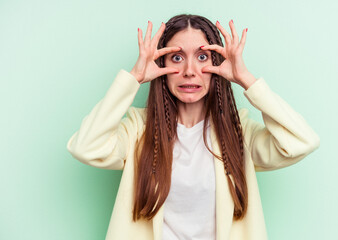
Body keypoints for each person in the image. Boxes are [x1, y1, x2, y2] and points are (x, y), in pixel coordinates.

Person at [67, 14, 320, 240]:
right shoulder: (138, 130)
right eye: (177, 58)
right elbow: (85, 147)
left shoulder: (239, 133)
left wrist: (247, 81)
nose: (189, 71)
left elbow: (302, 142)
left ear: (217, 66)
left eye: (202, 57)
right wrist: (133, 78)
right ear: (162, 66)